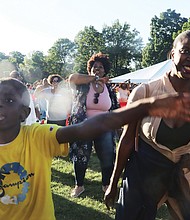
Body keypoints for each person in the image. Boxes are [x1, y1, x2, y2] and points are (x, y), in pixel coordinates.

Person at [1, 77, 190, 219]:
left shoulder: (37, 136)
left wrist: (145, 107)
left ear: (24, 113)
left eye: (9, 101)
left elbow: (86, 128)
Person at [104, 30, 190, 220]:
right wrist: (113, 182)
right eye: (186, 51)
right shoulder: (146, 92)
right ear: (172, 54)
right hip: (143, 173)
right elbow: (126, 140)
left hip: (183, 174)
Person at [68, 52, 119, 197]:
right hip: (84, 126)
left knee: (107, 156)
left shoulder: (109, 88)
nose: (97, 69)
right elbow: (71, 78)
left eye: (101, 67)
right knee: (81, 156)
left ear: (105, 70)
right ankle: (79, 185)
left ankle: (106, 184)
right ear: (90, 69)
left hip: (105, 127)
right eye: (94, 66)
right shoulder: (83, 85)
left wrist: (119, 127)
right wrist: (94, 78)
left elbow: (114, 108)